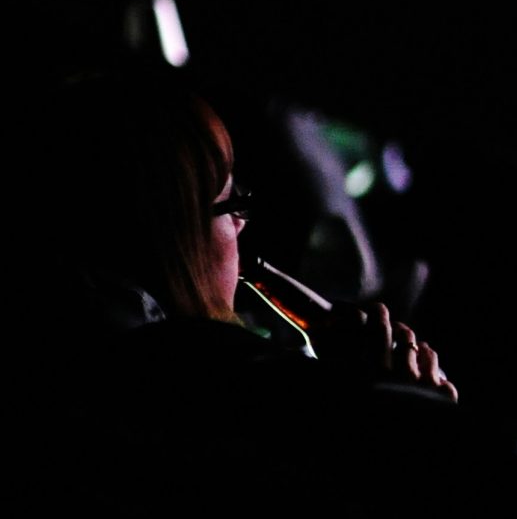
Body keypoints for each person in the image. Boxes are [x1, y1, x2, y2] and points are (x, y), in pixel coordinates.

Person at [29, 67, 456, 398]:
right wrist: (398, 406)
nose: (242, 223)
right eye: (229, 203)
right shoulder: (216, 377)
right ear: (171, 233)